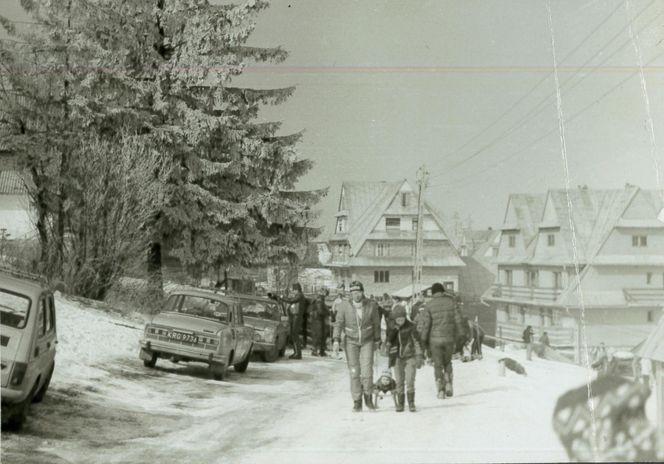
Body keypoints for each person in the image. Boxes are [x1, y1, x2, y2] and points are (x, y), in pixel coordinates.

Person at [332, 280, 382, 412]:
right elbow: (338, 323)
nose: (356, 295)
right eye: (353, 292)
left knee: (367, 371)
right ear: (350, 293)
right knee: (354, 372)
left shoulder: (371, 305)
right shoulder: (344, 306)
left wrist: (377, 339)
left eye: (358, 292)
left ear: (362, 292)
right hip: (351, 342)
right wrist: (336, 340)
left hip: (367, 341)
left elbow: (376, 323)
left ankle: (368, 397)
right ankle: (357, 401)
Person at [418, 282, 464, 399]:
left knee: (438, 365)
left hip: (435, 340)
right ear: (443, 291)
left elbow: (426, 325)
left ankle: (441, 391)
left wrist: (423, 341)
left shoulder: (429, 305)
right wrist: (461, 336)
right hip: (449, 339)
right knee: (448, 362)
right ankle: (448, 383)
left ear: (433, 293)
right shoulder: (452, 302)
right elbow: (459, 321)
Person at [385, 305, 425, 412]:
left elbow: (417, 342)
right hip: (397, 358)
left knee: (410, 380)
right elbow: (388, 341)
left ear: (405, 317)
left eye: (402, 319)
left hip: (410, 357)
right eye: (398, 319)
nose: (400, 321)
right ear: (394, 319)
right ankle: (401, 404)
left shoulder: (411, 327)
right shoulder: (391, 328)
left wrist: (419, 355)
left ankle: (411, 403)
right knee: (399, 381)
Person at [280, 283, 308, 360]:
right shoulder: (298, 295)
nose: (293, 292)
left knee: (294, 334)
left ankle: (298, 354)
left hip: (297, 316)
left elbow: (291, 301)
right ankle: (296, 353)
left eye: (293, 290)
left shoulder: (299, 295)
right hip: (295, 316)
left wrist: (283, 297)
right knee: (293, 334)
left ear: (296, 289)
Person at [309, 288, 330, 356]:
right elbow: (320, 311)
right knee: (319, 336)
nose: (326, 295)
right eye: (326, 294)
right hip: (318, 320)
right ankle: (316, 351)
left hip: (316, 320)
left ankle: (321, 351)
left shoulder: (317, 299)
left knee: (319, 335)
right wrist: (328, 312)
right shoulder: (319, 300)